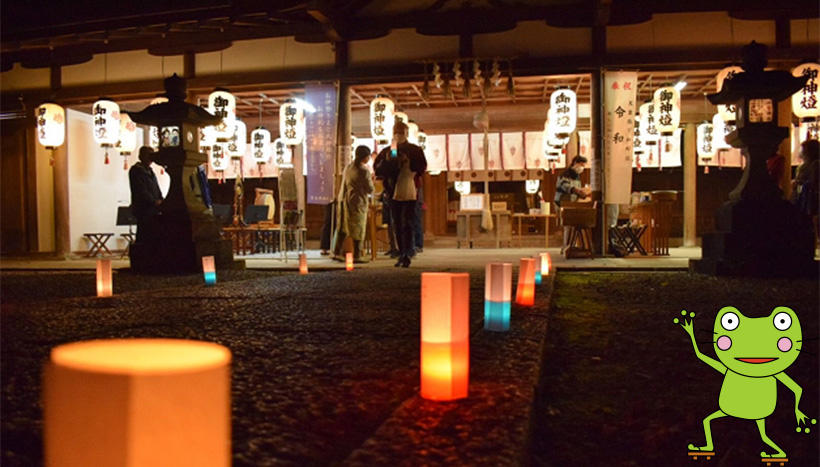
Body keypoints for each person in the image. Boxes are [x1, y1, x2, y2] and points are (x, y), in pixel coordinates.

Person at [374, 121, 427, 267]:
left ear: (406, 133)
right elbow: (378, 170)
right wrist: (389, 163)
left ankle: (408, 251)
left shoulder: (415, 150)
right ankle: (401, 251)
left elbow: (422, 167)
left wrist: (408, 164)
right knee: (396, 222)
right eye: (396, 131)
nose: (398, 134)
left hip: (410, 190)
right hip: (392, 191)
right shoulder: (387, 151)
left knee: (408, 222)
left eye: (401, 131)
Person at [336, 146, 375, 263]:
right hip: (357, 202)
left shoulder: (348, 167)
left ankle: (337, 252)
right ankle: (357, 255)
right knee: (358, 228)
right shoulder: (363, 171)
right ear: (366, 157)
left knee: (342, 227)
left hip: (344, 199)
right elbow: (370, 189)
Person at [129, 147, 163, 243]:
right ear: (141, 156)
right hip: (143, 209)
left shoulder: (151, 171)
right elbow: (140, 190)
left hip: (154, 209)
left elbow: (156, 188)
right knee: (144, 235)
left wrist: (162, 199)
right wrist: (154, 201)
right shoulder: (136, 171)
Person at [791, 139, 819, 223]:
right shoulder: (803, 166)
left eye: (802, 150)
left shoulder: (815, 165)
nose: (800, 153)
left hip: (808, 200)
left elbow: (813, 183)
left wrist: (799, 184)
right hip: (802, 198)